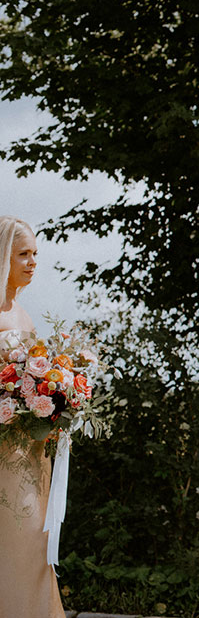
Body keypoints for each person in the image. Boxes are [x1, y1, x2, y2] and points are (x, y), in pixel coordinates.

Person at [0, 216, 65, 618]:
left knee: (34, 546)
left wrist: (59, 398)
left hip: (29, 451)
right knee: (19, 543)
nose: (32, 262)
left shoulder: (23, 315)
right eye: (23, 253)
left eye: (36, 254)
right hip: (4, 453)